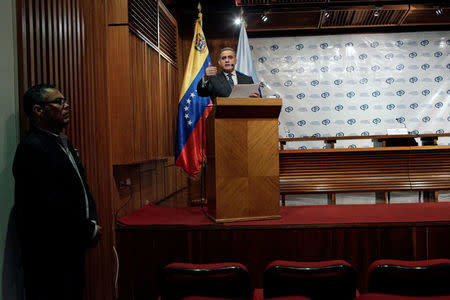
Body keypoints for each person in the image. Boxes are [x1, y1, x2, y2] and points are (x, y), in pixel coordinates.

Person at [13, 84, 102, 300]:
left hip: (72, 250)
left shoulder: (63, 143)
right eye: (59, 101)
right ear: (38, 110)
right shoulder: (32, 148)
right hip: (49, 258)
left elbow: (81, 188)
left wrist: (91, 222)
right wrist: (88, 229)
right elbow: (51, 206)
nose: (66, 105)